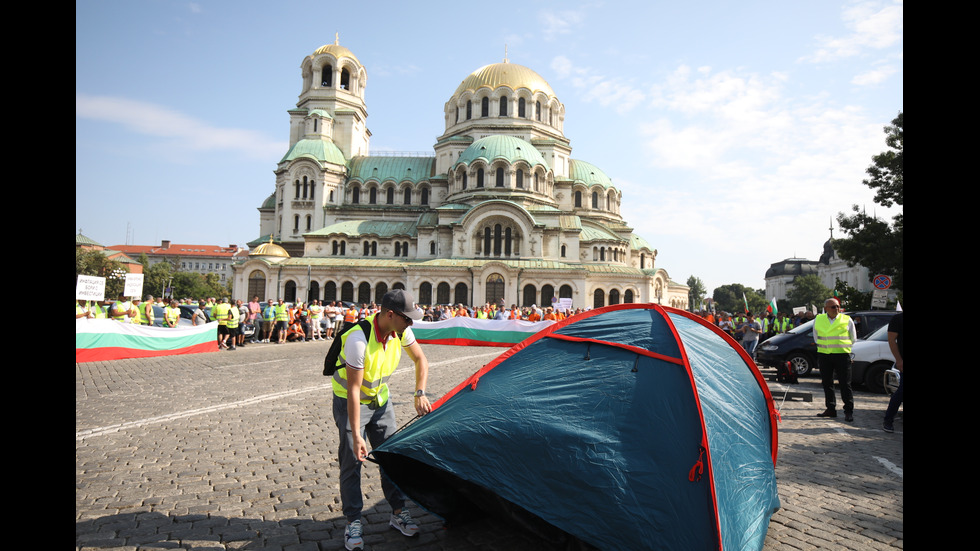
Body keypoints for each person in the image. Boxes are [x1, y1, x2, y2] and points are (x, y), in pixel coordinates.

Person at [331, 289, 431, 550]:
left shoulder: (402, 331)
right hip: (350, 403)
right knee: (353, 461)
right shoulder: (358, 340)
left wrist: (419, 393)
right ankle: (353, 520)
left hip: (381, 402)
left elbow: (421, 360)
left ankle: (398, 512)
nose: (411, 323)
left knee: (391, 457)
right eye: (407, 318)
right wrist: (356, 435)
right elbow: (353, 390)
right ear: (390, 314)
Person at [814, 298, 857, 421]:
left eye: (838, 306)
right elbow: (816, 337)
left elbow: (853, 338)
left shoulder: (846, 319)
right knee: (827, 383)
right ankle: (830, 409)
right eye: (833, 307)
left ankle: (848, 411)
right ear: (826, 308)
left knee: (845, 384)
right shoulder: (819, 319)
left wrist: (841, 347)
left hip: (842, 355)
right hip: (824, 355)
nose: (836, 309)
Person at [882, 311, 903, 433]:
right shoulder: (898, 319)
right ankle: (888, 420)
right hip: (902, 361)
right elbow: (891, 340)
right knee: (901, 391)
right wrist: (899, 360)